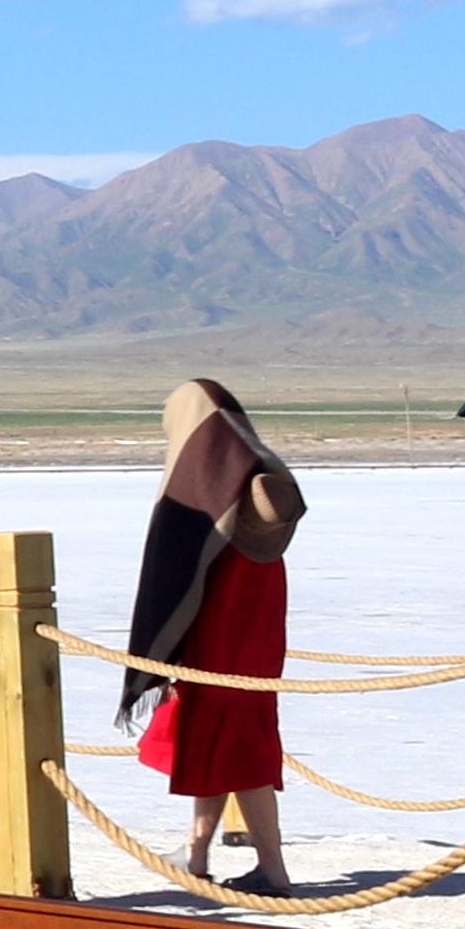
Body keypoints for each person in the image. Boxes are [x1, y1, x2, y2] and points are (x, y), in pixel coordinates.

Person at [120, 379, 306, 895]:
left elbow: (176, 573)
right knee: (221, 744)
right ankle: (197, 851)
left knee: (241, 749)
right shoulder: (262, 481)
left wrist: (168, 648)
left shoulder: (202, 488)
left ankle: (272, 867)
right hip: (258, 642)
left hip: (217, 642)